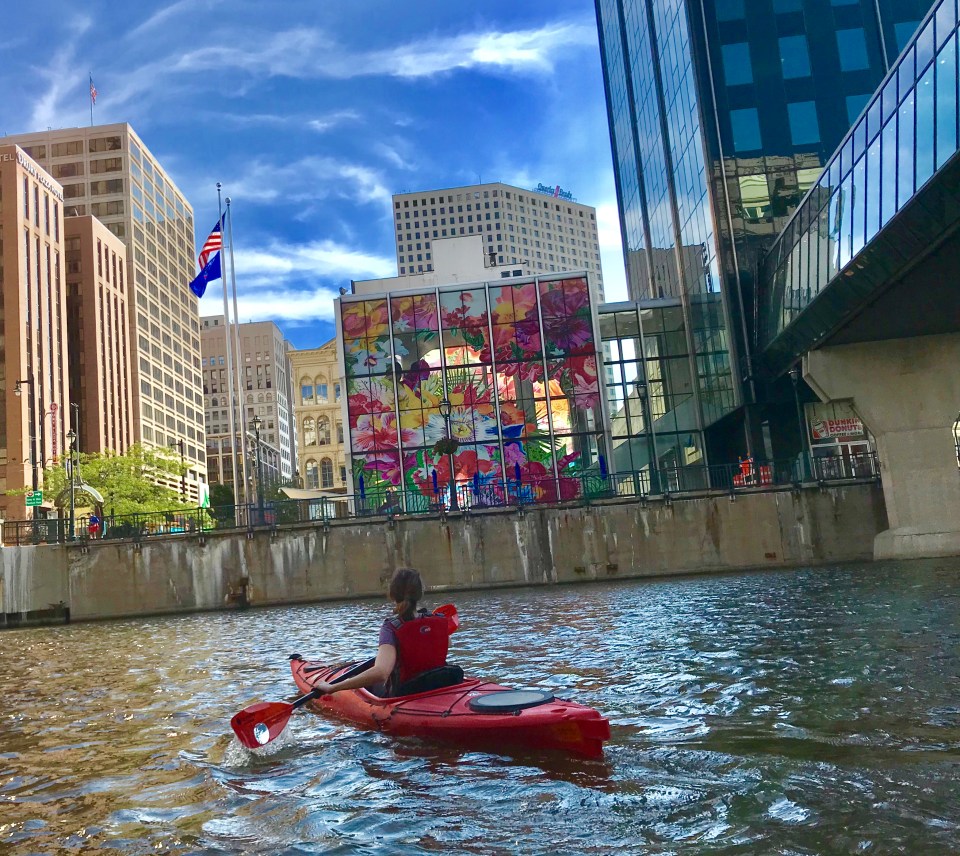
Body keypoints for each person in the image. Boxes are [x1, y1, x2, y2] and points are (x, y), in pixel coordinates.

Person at [312, 567, 451, 698]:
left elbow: (381, 673)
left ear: (392, 595)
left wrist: (334, 687)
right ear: (420, 593)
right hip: (443, 686)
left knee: (373, 681)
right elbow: (439, 647)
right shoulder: (439, 620)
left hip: (408, 694)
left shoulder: (391, 627)